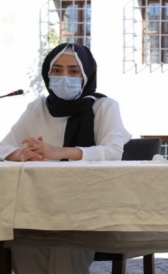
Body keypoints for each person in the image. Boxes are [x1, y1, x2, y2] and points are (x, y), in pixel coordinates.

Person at [0, 43, 130, 274]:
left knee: (67, 238)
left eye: (73, 71)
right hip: (36, 203)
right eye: (57, 70)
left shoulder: (104, 107)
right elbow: (4, 147)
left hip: (85, 205)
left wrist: (60, 152)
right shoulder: (36, 108)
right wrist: (19, 154)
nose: (64, 77)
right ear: (47, 74)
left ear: (86, 75)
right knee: (23, 238)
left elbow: (113, 152)